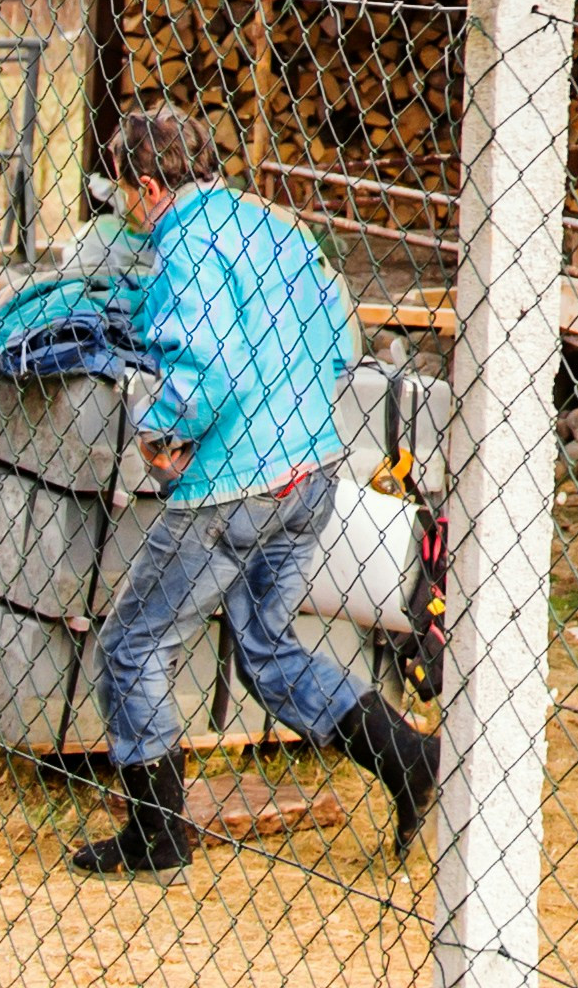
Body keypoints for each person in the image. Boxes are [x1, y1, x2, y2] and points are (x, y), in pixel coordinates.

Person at [66, 104, 439, 877]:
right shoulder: (268, 223)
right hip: (311, 469)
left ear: (146, 187)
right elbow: (339, 336)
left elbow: (209, 366)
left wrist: (158, 429)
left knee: (132, 645)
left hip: (233, 486)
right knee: (265, 649)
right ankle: (408, 757)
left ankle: (157, 835)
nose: (124, 210)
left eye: (124, 194)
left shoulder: (184, 247)